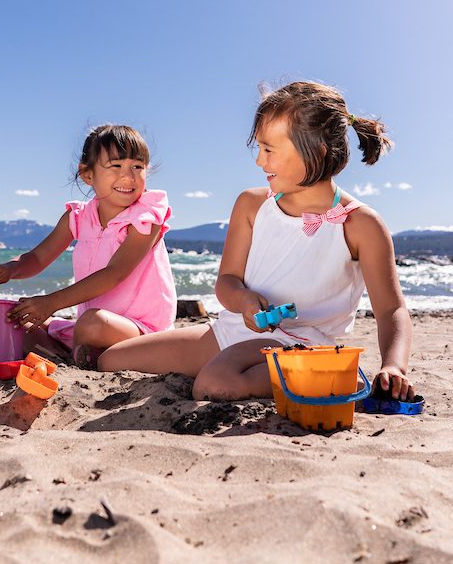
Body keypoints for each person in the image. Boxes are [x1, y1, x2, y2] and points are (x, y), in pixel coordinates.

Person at [99, 81, 414, 401]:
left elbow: (391, 309)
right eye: (259, 149)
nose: (259, 162)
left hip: (301, 345)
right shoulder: (251, 205)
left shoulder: (362, 225)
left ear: (315, 152)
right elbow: (227, 281)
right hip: (231, 331)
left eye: (269, 150)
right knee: (111, 360)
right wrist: (245, 301)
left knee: (214, 384)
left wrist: (394, 367)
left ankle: (333, 374)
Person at [0, 124, 177, 367]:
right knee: (19, 321)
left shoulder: (146, 216)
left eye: (138, 166)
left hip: (140, 331)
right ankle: (73, 357)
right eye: (116, 166)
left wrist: (51, 302)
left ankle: (77, 357)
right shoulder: (79, 217)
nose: (129, 176)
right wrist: (10, 269)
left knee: (93, 323)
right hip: (89, 328)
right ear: (87, 175)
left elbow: (115, 274)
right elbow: (39, 257)